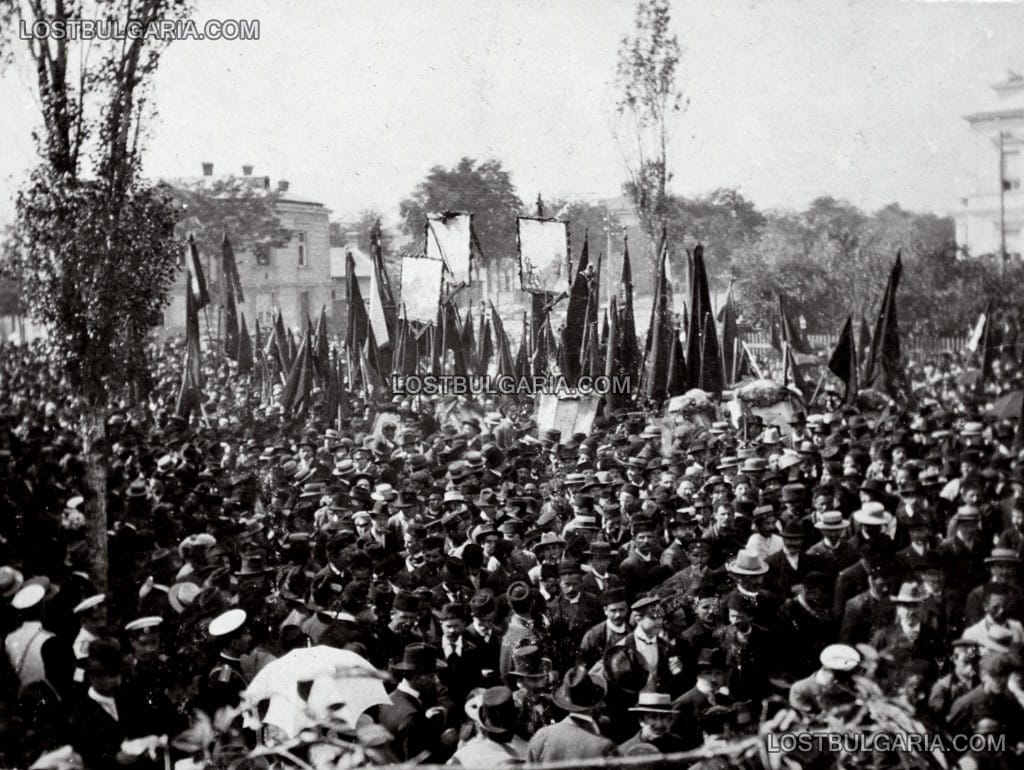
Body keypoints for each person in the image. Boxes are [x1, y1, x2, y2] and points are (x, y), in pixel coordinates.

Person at [379, 643, 455, 763]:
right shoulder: (412, 716)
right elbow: (417, 762)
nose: (436, 680)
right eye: (432, 675)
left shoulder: (389, 699)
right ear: (419, 677)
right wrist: (444, 744)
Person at [526, 665, 618, 762]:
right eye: (600, 701)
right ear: (594, 704)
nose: (603, 704)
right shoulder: (604, 747)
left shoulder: (541, 736)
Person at [620, 692, 687, 754]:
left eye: (663, 717)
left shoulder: (679, 746)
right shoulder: (624, 752)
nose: (659, 724)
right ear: (641, 720)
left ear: (669, 719)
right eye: (653, 717)